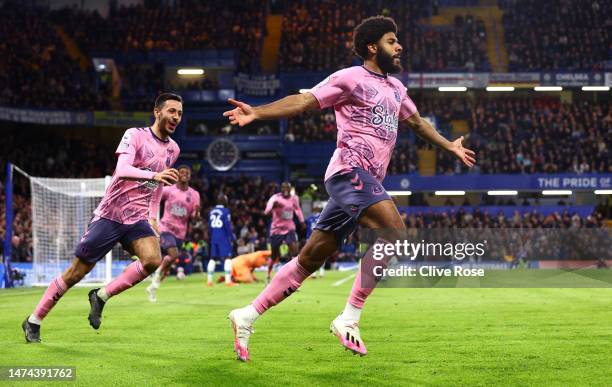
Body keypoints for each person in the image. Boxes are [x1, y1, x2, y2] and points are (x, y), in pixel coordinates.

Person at [223, 16, 475, 361]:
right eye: (391, 40)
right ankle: (349, 318)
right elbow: (305, 100)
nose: (398, 46)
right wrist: (259, 112)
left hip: (363, 183)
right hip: (348, 172)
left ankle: (248, 314)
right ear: (373, 47)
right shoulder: (349, 79)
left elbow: (416, 122)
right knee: (394, 232)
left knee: (309, 259)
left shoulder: (396, 88)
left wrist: (449, 146)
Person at [22, 93, 183, 342]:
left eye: (180, 113)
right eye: (171, 111)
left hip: (137, 218)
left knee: (153, 260)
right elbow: (122, 171)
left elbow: (159, 187)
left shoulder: (173, 149)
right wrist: (154, 176)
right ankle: (34, 321)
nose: (176, 117)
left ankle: (101, 296)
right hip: (111, 214)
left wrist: (153, 217)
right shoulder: (135, 135)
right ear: (157, 112)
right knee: (76, 273)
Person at [146, 165, 200, 302]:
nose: (184, 174)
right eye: (182, 172)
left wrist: (197, 213)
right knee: (173, 254)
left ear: (190, 176)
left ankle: (154, 284)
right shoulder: (169, 190)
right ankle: (155, 279)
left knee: (170, 260)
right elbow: (154, 198)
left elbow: (194, 217)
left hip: (181, 234)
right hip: (165, 229)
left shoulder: (194, 195)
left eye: (187, 172)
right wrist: (152, 217)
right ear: (177, 175)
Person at [264, 182, 305, 282]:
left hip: (289, 228)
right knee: (274, 255)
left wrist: (302, 221)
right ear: (281, 189)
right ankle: (268, 275)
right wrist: (272, 206)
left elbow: (298, 210)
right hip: (276, 229)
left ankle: (294, 278)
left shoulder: (294, 198)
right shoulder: (275, 198)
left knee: (294, 252)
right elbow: (266, 212)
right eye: (284, 188)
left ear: (290, 188)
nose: (286, 189)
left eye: (288, 187)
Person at [207, 194, 236, 286]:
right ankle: (228, 281)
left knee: (212, 258)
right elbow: (227, 226)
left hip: (214, 237)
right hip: (223, 237)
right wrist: (232, 237)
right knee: (227, 257)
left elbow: (209, 227)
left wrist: (211, 235)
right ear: (224, 201)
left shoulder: (211, 211)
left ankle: (209, 281)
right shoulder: (225, 211)